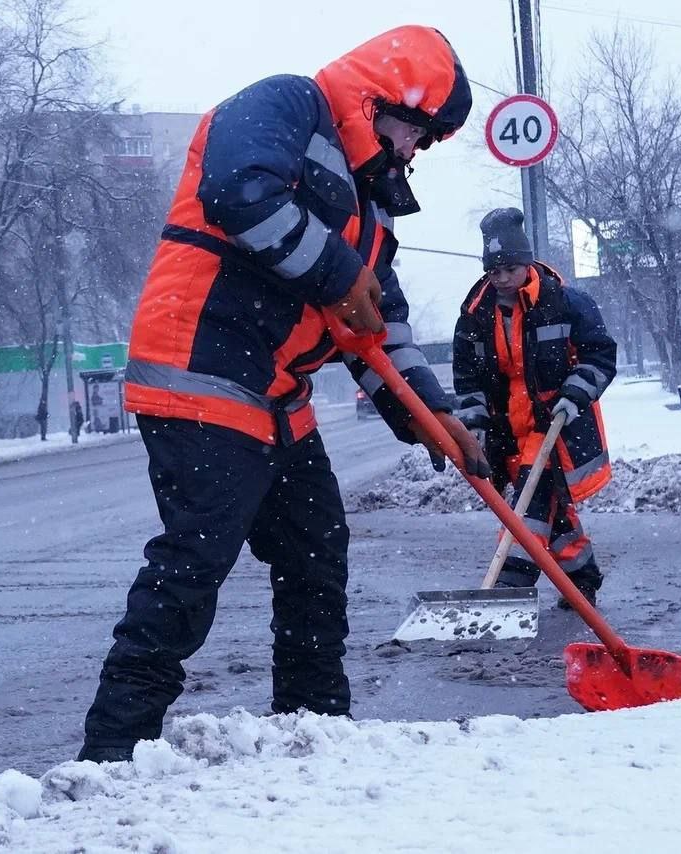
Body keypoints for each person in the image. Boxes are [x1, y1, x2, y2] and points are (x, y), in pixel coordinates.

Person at [78, 25, 486, 764]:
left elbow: (377, 322)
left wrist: (433, 414)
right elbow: (240, 191)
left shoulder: (370, 206)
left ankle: (315, 726)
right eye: (415, 131)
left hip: (275, 392)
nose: (411, 151)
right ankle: (111, 753)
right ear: (380, 98)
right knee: (195, 562)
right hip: (201, 367)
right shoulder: (287, 104)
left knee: (317, 547)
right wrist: (339, 274)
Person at [453, 208, 617, 610]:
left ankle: (508, 592)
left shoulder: (565, 303)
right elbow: (467, 379)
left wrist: (575, 392)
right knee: (552, 515)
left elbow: (600, 356)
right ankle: (582, 579)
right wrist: (474, 420)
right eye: (495, 271)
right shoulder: (473, 317)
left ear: (525, 262)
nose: (502, 278)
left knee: (526, 511)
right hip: (508, 432)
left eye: (509, 268)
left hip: (553, 428)